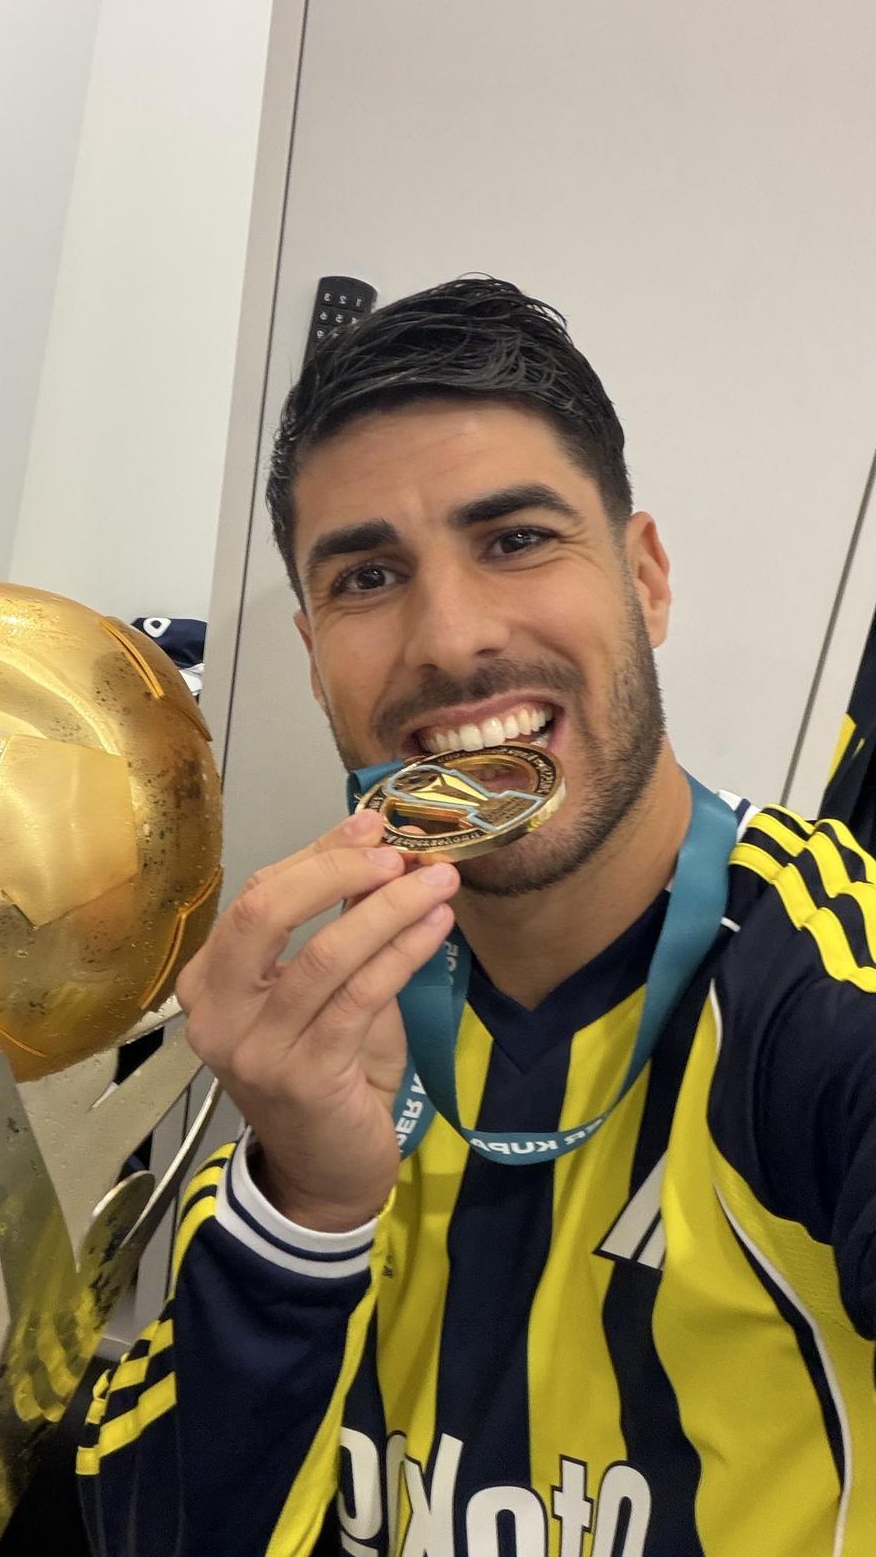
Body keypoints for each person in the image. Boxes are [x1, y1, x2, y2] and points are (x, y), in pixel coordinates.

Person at [75, 277, 876, 1556]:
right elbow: (144, 1525)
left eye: (515, 539)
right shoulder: (326, 1039)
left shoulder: (821, 988)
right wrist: (303, 1210)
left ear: (647, 579)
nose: (448, 641)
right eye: (369, 575)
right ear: (314, 652)